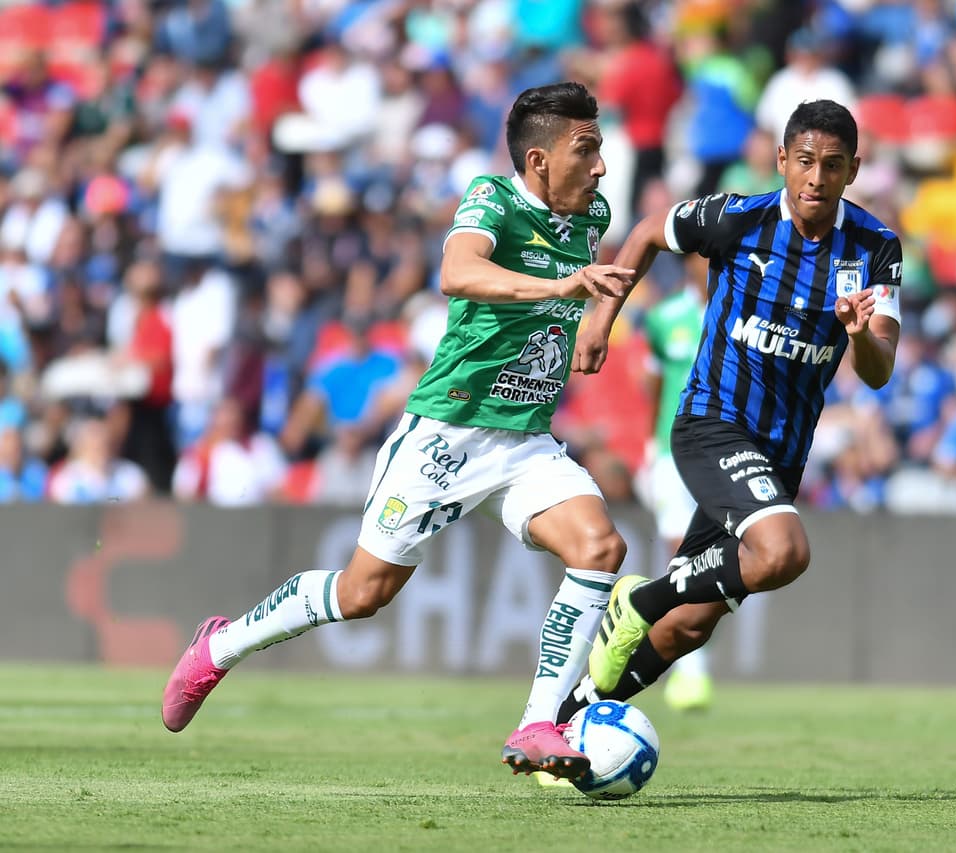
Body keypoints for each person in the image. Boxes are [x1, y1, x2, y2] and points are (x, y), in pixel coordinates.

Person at [161, 82, 637, 782]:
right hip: (449, 431)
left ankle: (538, 722)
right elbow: (457, 272)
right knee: (363, 595)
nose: (600, 166)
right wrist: (558, 290)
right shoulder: (493, 199)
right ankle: (221, 646)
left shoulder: (592, 214)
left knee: (600, 548)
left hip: (526, 438)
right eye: (586, 149)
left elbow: (602, 276)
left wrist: (595, 323)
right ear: (538, 159)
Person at [561, 99, 902, 716]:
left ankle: (567, 723)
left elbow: (879, 371)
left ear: (853, 170)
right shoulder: (737, 219)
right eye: (805, 161)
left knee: (688, 626)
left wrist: (858, 334)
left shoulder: (875, 248)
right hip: (712, 423)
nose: (816, 178)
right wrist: (600, 320)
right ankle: (641, 600)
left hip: (781, 454)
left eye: (832, 165)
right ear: (782, 160)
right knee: (783, 552)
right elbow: (647, 233)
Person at [640, 252, 713, 711]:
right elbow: (654, 383)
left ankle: (687, 657)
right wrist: (650, 444)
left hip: (720, 450)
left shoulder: (739, 313)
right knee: (679, 552)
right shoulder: (664, 318)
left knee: (712, 561)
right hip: (671, 450)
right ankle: (691, 670)